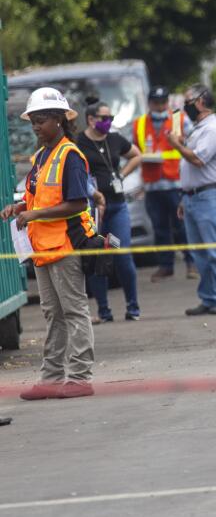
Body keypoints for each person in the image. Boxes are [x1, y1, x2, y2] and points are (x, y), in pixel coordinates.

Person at [1, 88, 98, 400]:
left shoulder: (70, 155)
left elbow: (77, 203)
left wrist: (34, 214)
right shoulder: (41, 157)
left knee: (74, 311)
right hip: (42, 247)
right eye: (33, 122)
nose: (35, 127)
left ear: (59, 120)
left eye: (41, 121)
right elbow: (37, 197)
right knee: (52, 314)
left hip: (65, 246)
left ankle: (80, 377)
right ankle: (52, 377)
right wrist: (18, 209)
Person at [166, 84, 216, 315]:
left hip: (208, 197)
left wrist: (176, 144)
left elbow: (198, 160)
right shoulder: (199, 129)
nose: (184, 107)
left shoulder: (212, 129)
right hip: (193, 197)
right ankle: (209, 297)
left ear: (199, 102)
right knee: (199, 252)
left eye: (187, 102)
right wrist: (184, 197)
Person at [78, 99, 143, 323]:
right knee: (98, 258)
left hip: (116, 208)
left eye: (111, 119)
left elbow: (136, 154)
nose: (108, 122)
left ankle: (133, 307)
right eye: (105, 118)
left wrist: (122, 174)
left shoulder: (114, 139)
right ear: (91, 119)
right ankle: (104, 311)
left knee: (121, 254)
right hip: (94, 211)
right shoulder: (79, 142)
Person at [134, 86, 195, 282]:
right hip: (152, 185)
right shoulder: (140, 124)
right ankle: (165, 266)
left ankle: (191, 263)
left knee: (182, 227)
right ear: (149, 103)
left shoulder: (179, 118)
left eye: (163, 102)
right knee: (159, 228)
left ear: (167, 102)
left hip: (175, 183)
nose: (160, 106)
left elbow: (193, 144)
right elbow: (132, 150)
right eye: (156, 102)